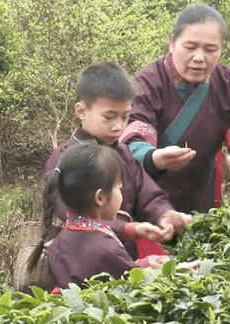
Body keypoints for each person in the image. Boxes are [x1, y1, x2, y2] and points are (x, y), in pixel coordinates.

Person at [122, 5, 230, 214]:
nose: (200, 58)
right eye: (190, 47)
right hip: (148, 206)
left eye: (210, 50)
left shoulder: (228, 83)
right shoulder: (148, 83)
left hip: (203, 204)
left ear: (221, 48)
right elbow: (133, 139)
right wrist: (154, 158)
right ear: (172, 43)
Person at [42, 62, 192, 258]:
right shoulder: (67, 158)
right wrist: (128, 228)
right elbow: (72, 216)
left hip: (121, 255)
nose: (118, 127)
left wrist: (164, 214)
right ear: (81, 111)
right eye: (109, 117)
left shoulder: (123, 154)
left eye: (124, 117)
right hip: (80, 258)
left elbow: (148, 194)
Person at [42, 143, 200, 289]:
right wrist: (177, 270)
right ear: (100, 197)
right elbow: (134, 282)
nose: (121, 194)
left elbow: (116, 270)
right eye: (119, 188)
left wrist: (146, 263)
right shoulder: (106, 249)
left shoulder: (63, 237)